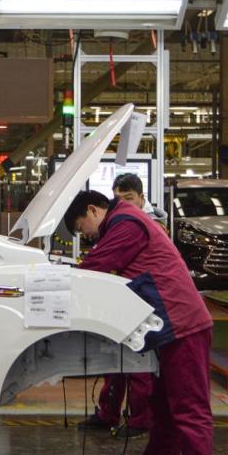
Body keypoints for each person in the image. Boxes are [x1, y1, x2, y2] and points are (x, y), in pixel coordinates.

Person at [64, 190, 213, 455]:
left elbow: (96, 267)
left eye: (81, 226)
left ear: (93, 210)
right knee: (162, 406)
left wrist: (57, 283)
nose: (85, 235)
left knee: (189, 408)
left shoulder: (126, 223)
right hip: (166, 328)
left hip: (183, 324)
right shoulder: (121, 222)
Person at [80, 173, 166, 439]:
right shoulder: (119, 223)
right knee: (113, 363)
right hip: (123, 302)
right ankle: (109, 413)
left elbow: (103, 263)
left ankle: (140, 420)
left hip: (144, 306)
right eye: (119, 198)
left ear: (142, 198)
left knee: (137, 366)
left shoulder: (141, 225)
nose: (124, 203)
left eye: (129, 198)